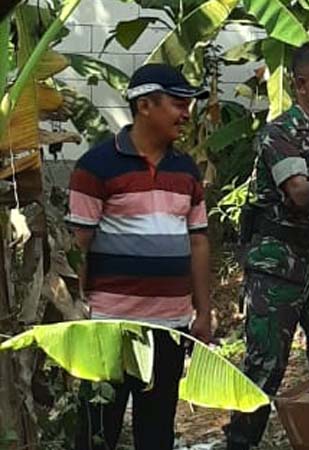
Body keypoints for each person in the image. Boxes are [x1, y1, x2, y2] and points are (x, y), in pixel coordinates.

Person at [67, 63, 212, 450]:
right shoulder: (96, 166)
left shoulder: (186, 171)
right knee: (98, 429)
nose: (186, 114)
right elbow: (78, 243)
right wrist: (78, 309)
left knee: (157, 430)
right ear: (145, 105)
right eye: (178, 104)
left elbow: (198, 241)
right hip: (108, 325)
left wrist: (204, 311)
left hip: (169, 326)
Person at [223, 40, 309, 450]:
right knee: (264, 368)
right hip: (278, 267)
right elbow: (300, 194)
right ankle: (240, 443)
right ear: (300, 85)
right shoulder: (282, 133)